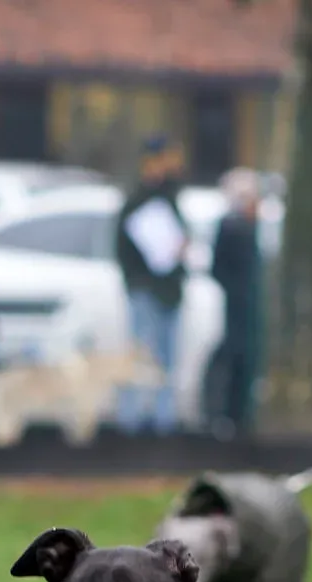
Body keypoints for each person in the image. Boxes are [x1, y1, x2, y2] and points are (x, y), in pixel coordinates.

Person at [115, 135, 188, 433]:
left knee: (166, 357)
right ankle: (131, 419)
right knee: (140, 355)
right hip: (145, 288)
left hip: (169, 289)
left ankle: (162, 420)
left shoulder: (170, 196)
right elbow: (124, 247)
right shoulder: (137, 199)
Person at [209, 169, 263, 434]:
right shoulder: (234, 227)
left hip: (246, 306)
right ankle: (231, 415)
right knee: (237, 358)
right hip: (238, 307)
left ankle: (240, 415)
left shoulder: (248, 227)